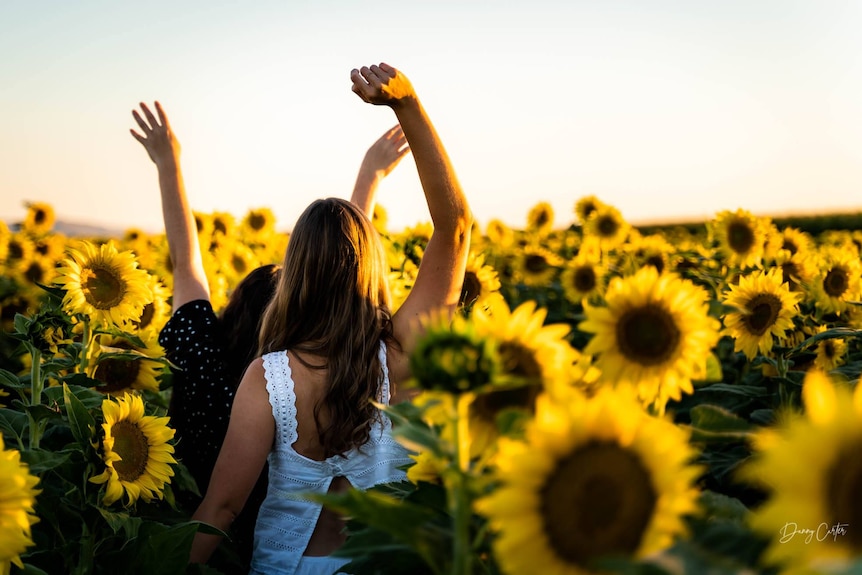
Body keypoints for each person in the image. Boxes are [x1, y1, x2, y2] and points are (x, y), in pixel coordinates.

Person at [188, 62, 472, 574]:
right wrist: (407, 104)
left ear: (294, 272)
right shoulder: (404, 350)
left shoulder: (269, 378)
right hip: (385, 566)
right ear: (372, 267)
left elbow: (222, 510)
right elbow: (454, 227)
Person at [130, 101, 410, 572]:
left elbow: (186, 263)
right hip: (305, 548)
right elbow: (341, 279)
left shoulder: (206, 358)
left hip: (213, 551)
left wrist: (168, 162)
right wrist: (369, 179)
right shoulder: (311, 375)